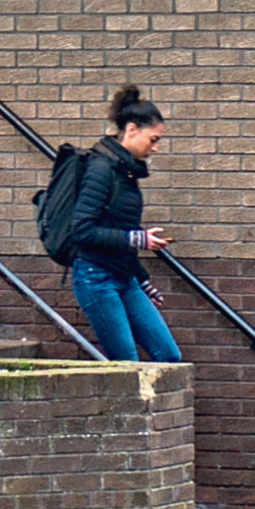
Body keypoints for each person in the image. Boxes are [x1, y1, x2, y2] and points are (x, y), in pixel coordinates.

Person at [69, 85, 183, 363]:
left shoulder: (126, 172)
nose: (155, 148)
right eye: (152, 139)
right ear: (131, 130)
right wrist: (139, 239)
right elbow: (81, 229)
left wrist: (143, 280)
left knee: (168, 355)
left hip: (124, 276)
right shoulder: (101, 168)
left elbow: (119, 230)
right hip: (95, 278)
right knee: (126, 365)